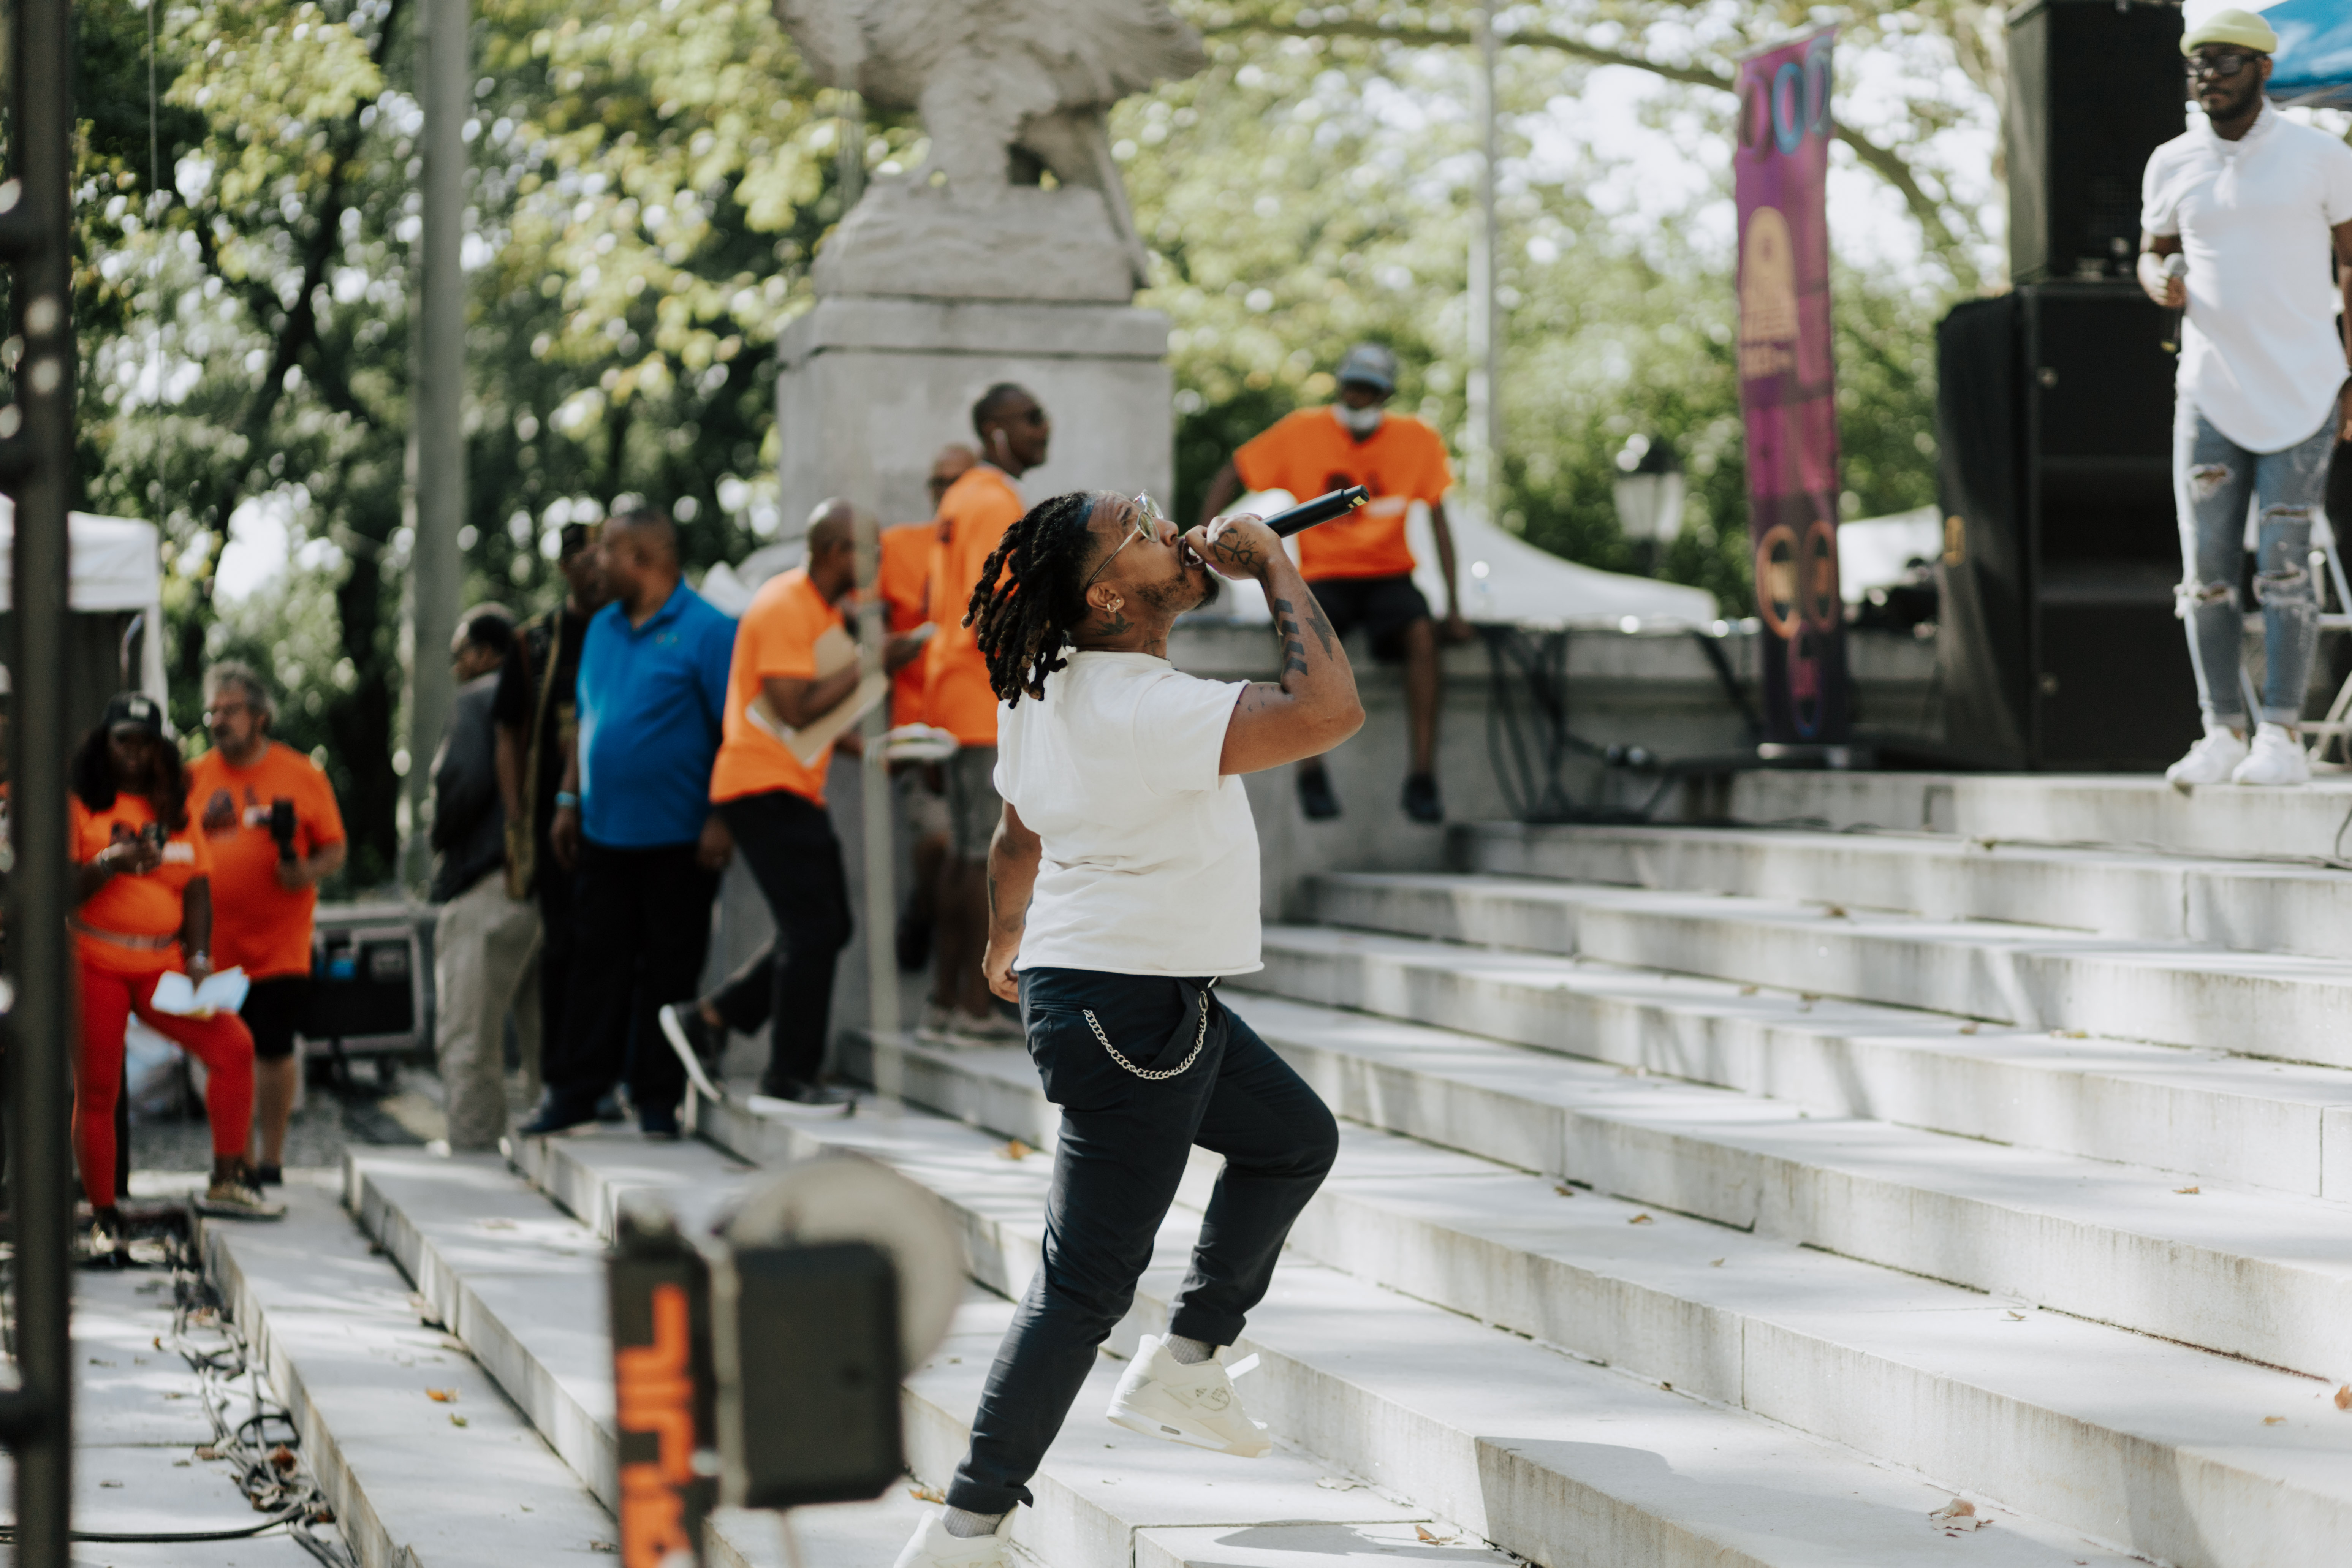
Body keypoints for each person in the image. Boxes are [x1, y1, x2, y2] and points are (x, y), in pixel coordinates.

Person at [893, 493, 1356, 1568]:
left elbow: (1016, 832)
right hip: (1127, 1006)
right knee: (1083, 1285)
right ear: (1106, 595)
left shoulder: (1043, 682)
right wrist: (1273, 567)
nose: (1166, 524)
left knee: (1293, 1138)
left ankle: (1188, 1359)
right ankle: (964, 1529)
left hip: (1126, 994)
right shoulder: (1151, 707)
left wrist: (1007, 935)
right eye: (1138, 529)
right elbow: (1328, 709)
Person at [2141, 7, 2352, 790]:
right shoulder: (2170, 161)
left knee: (2285, 567)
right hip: (2208, 388)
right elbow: (2153, 252)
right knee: (2205, 572)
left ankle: (2282, 735)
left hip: (2304, 383)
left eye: (2225, 61)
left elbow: (2351, 264)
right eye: (2197, 63)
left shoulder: (2320, 155)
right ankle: (2220, 729)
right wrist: (2156, 281)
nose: (2207, 76)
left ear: (2263, 68)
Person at [666, 502, 928, 1105]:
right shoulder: (785, 603)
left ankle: (710, 1018)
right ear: (835, 551)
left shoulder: (820, 612)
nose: (879, 562)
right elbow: (794, 708)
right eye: (870, 550)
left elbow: (811, 716)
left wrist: (872, 750)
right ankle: (787, 1074)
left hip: (786, 785)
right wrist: (873, 660)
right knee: (816, 927)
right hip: (762, 786)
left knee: (824, 926)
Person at [526, 508, 736, 1139]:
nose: (594, 560)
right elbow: (585, 722)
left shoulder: (710, 629)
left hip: (682, 838)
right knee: (594, 965)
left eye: (608, 549)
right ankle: (576, 1092)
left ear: (645, 558)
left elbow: (736, 732)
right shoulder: (601, 628)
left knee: (670, 970)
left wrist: (721, 817)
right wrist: (567, 800)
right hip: (602, 834)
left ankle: (657, 1099)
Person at [1196, 343, 1471, 823]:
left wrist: (1454, 608)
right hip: (1326, 574)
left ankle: (1423, 776)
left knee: (1422, 635)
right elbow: (1231, 473)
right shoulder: (1303, 430)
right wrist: (1206, 544)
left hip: (1389, 574)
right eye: (1352, 386)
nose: (1358, 396)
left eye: (1369, 389)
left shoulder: (1417, 438)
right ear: (1341, 386)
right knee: (1296, 633)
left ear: (1386, 395)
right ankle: (1311, 770)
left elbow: (1441, 523)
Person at [71, 692, 283, 1259]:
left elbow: (197, 886)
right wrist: (108, 864)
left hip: (161, 965)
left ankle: (228, 1177)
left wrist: (199, 956)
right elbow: (60, 891)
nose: (135, 753)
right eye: (124, 741)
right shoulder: (81, 803)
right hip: (96, 959)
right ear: (105, 743)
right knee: (99, 1089)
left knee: (233, 1045)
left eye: (145, 742)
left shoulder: (174, 804)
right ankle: (104, 1215)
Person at [188, 662, 348, 1184]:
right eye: (212, 711)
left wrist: (304, 871)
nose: (218, 720)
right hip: (215, 946)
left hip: (281, 943)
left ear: (259, 715)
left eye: (230, 710)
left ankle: (272, 1159)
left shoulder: (301, 773)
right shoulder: (194, 777)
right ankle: (239, 1158)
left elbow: (335, 848)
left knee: (274, 1047)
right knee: (224, 1051)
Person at [923, 388, 1048, 1041]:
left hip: (953, 693)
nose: (1044, 429)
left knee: (963, 854)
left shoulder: (962, 496)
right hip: (980, 697)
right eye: (1031, 419)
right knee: (983, 855)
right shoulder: (994, 499)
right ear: (995, 430)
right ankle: (975, 1008)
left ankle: (946, 1003)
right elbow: (996, 607)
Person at [494, 522, 609, 1108]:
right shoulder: (535, 642)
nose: (597, 567)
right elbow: (507, 732)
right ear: (566, 568)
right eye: (585, 558)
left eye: (604, 555)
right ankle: (563, 1078)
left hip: (621, 815)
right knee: (563, 946)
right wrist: (517, 817)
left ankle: (611, 1074)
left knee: (615, 946)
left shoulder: (628, 629)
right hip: (554, 822)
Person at [428, 609, 538, 1153]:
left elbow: (462, 782)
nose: (456, 667)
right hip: (548, 889)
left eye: (461, 654)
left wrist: (440, 837)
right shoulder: (548, 693)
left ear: (488, 653)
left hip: (489, 882)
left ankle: (473, 1150)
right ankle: (549, 1147)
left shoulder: (478, 700)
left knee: (469, 1034)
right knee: (544, 1036)